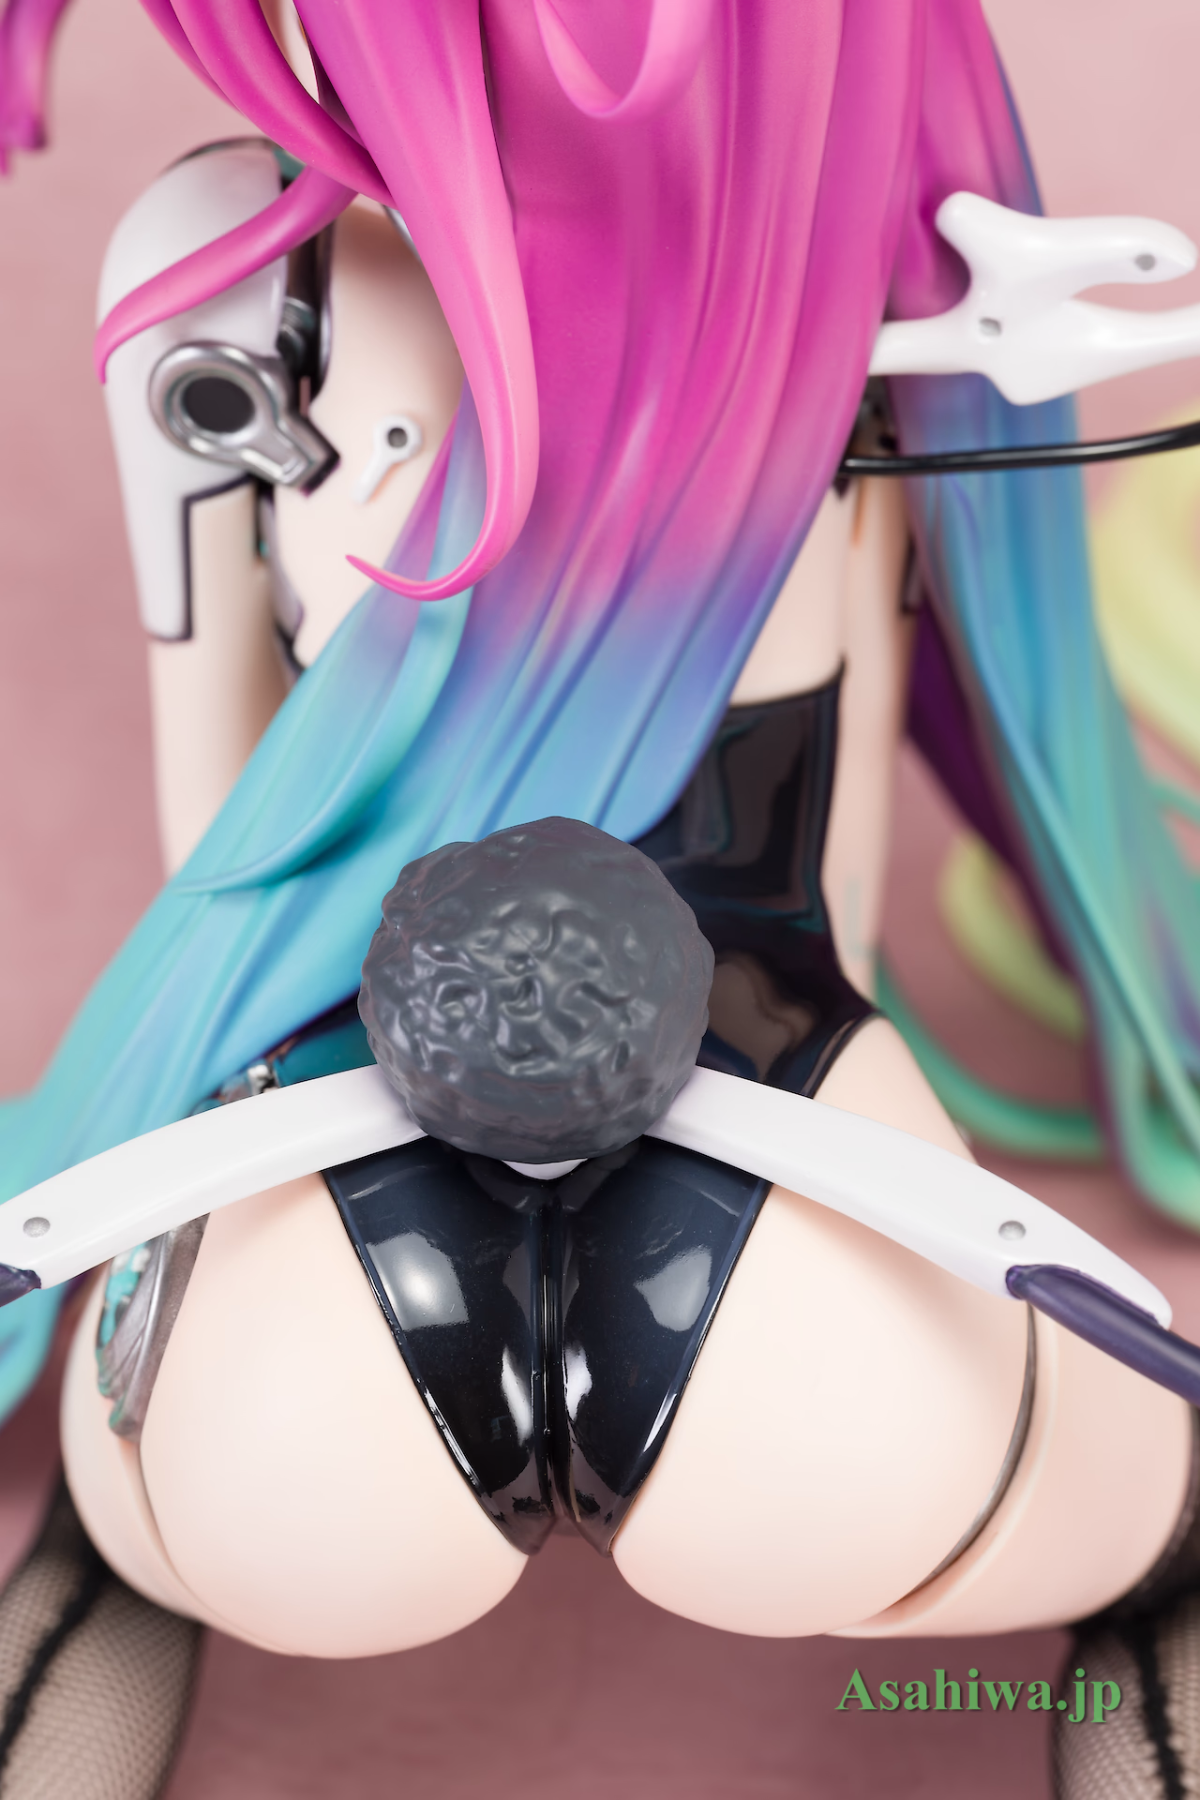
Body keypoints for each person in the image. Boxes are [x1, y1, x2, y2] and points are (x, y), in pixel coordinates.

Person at [1, 2, 1200, 1796]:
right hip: (739, 1121)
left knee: (170, 1526)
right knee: (1135, 1519)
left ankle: (124, 1543)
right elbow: (832, 875)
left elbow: (226, 854)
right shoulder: (847, 233)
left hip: (379, 1221)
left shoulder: (242, 279)